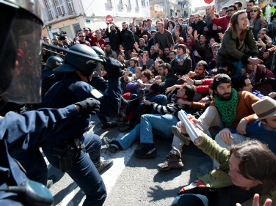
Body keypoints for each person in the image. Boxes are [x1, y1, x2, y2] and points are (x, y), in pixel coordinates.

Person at [0, 1, 107, 205]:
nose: (18, 63)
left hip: (50, 139)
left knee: (94, 141)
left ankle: (92, 164)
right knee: (97, 192)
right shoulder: (78, 86)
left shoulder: (56, 84)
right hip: (61, 145)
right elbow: (109, 106)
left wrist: (75, 109)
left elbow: (21, 124)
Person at [171, 121, 276, 206]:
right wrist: (191, 131)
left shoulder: (269, 200)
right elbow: (211, 147)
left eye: (239, 172)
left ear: (260, 180)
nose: (230, 173)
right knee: (184, 202)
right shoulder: (235, 162)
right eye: (230, 165)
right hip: (206, 196)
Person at [106, 85, 196, 158]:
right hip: (165, 127)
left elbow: (165, 110)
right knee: (140, 126)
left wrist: (150, 103)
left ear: (186, 96)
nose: (179, 90)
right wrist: (175, 86)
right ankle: (119, 144)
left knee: (145, 117)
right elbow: (164, 93)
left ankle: (149, 148)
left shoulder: (182, 104)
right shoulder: (175, 97)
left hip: (172, 125)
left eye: (181, 90)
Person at [216, 10, 263, 74]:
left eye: (246, 17)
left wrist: (255, 56)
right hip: (224, 61)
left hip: (238, 59)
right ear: (236, 23)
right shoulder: (228, 33)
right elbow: (233, 51)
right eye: (242, 19)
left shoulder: (247, 30)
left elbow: (252, 44)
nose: (246, 20)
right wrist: (250, 59)